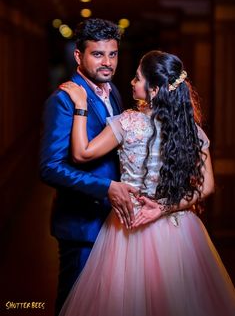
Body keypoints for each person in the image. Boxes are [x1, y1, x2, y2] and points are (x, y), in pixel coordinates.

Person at [58, 50, 235, 316]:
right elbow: (206, 186)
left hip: (129, 226)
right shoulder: (190, 129)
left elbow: (81, 153)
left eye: (137, 78)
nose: (131, 81)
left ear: (153, 89)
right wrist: (163, 208)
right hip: (178, 228)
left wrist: (81, 105)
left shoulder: (127, 123)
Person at [39, 18, 137, 316]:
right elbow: (50, 167)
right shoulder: (64, 100)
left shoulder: (115, 91)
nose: (107, 63)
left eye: (113, 54)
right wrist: (106, 188)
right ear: (79, 56)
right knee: (75, 306)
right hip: (81, 227)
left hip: (113, 223)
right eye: (98, 54)